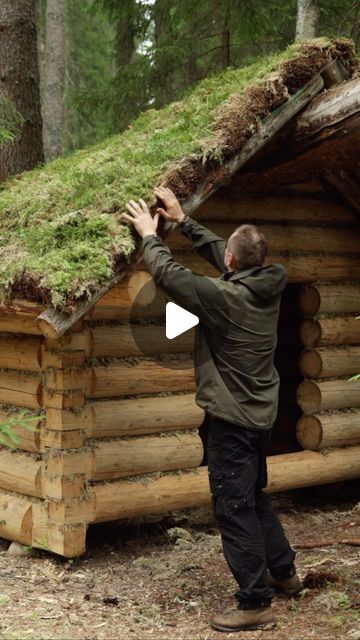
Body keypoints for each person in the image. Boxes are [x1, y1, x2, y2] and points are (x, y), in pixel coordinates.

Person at [122, 187, 303, 633]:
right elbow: (226, 253)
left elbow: (171, 275)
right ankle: (285, 574)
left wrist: (150, 234)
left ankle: (255, 602)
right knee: (254, 497)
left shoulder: (225, 300)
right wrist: (183, 221)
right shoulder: (267, 282)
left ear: (230, 265)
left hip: (233, 421)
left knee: (233, 506)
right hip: (260, 415)